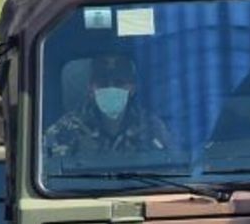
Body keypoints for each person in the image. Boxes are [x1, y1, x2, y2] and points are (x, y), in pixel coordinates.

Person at [42, 50, 172, 164]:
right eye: (103, 83)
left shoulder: (151, 127)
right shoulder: (65, 128)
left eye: (119, 83)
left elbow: (169, 165)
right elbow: (47, 170)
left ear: (132, 88)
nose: (111, 88)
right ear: (91, 88)